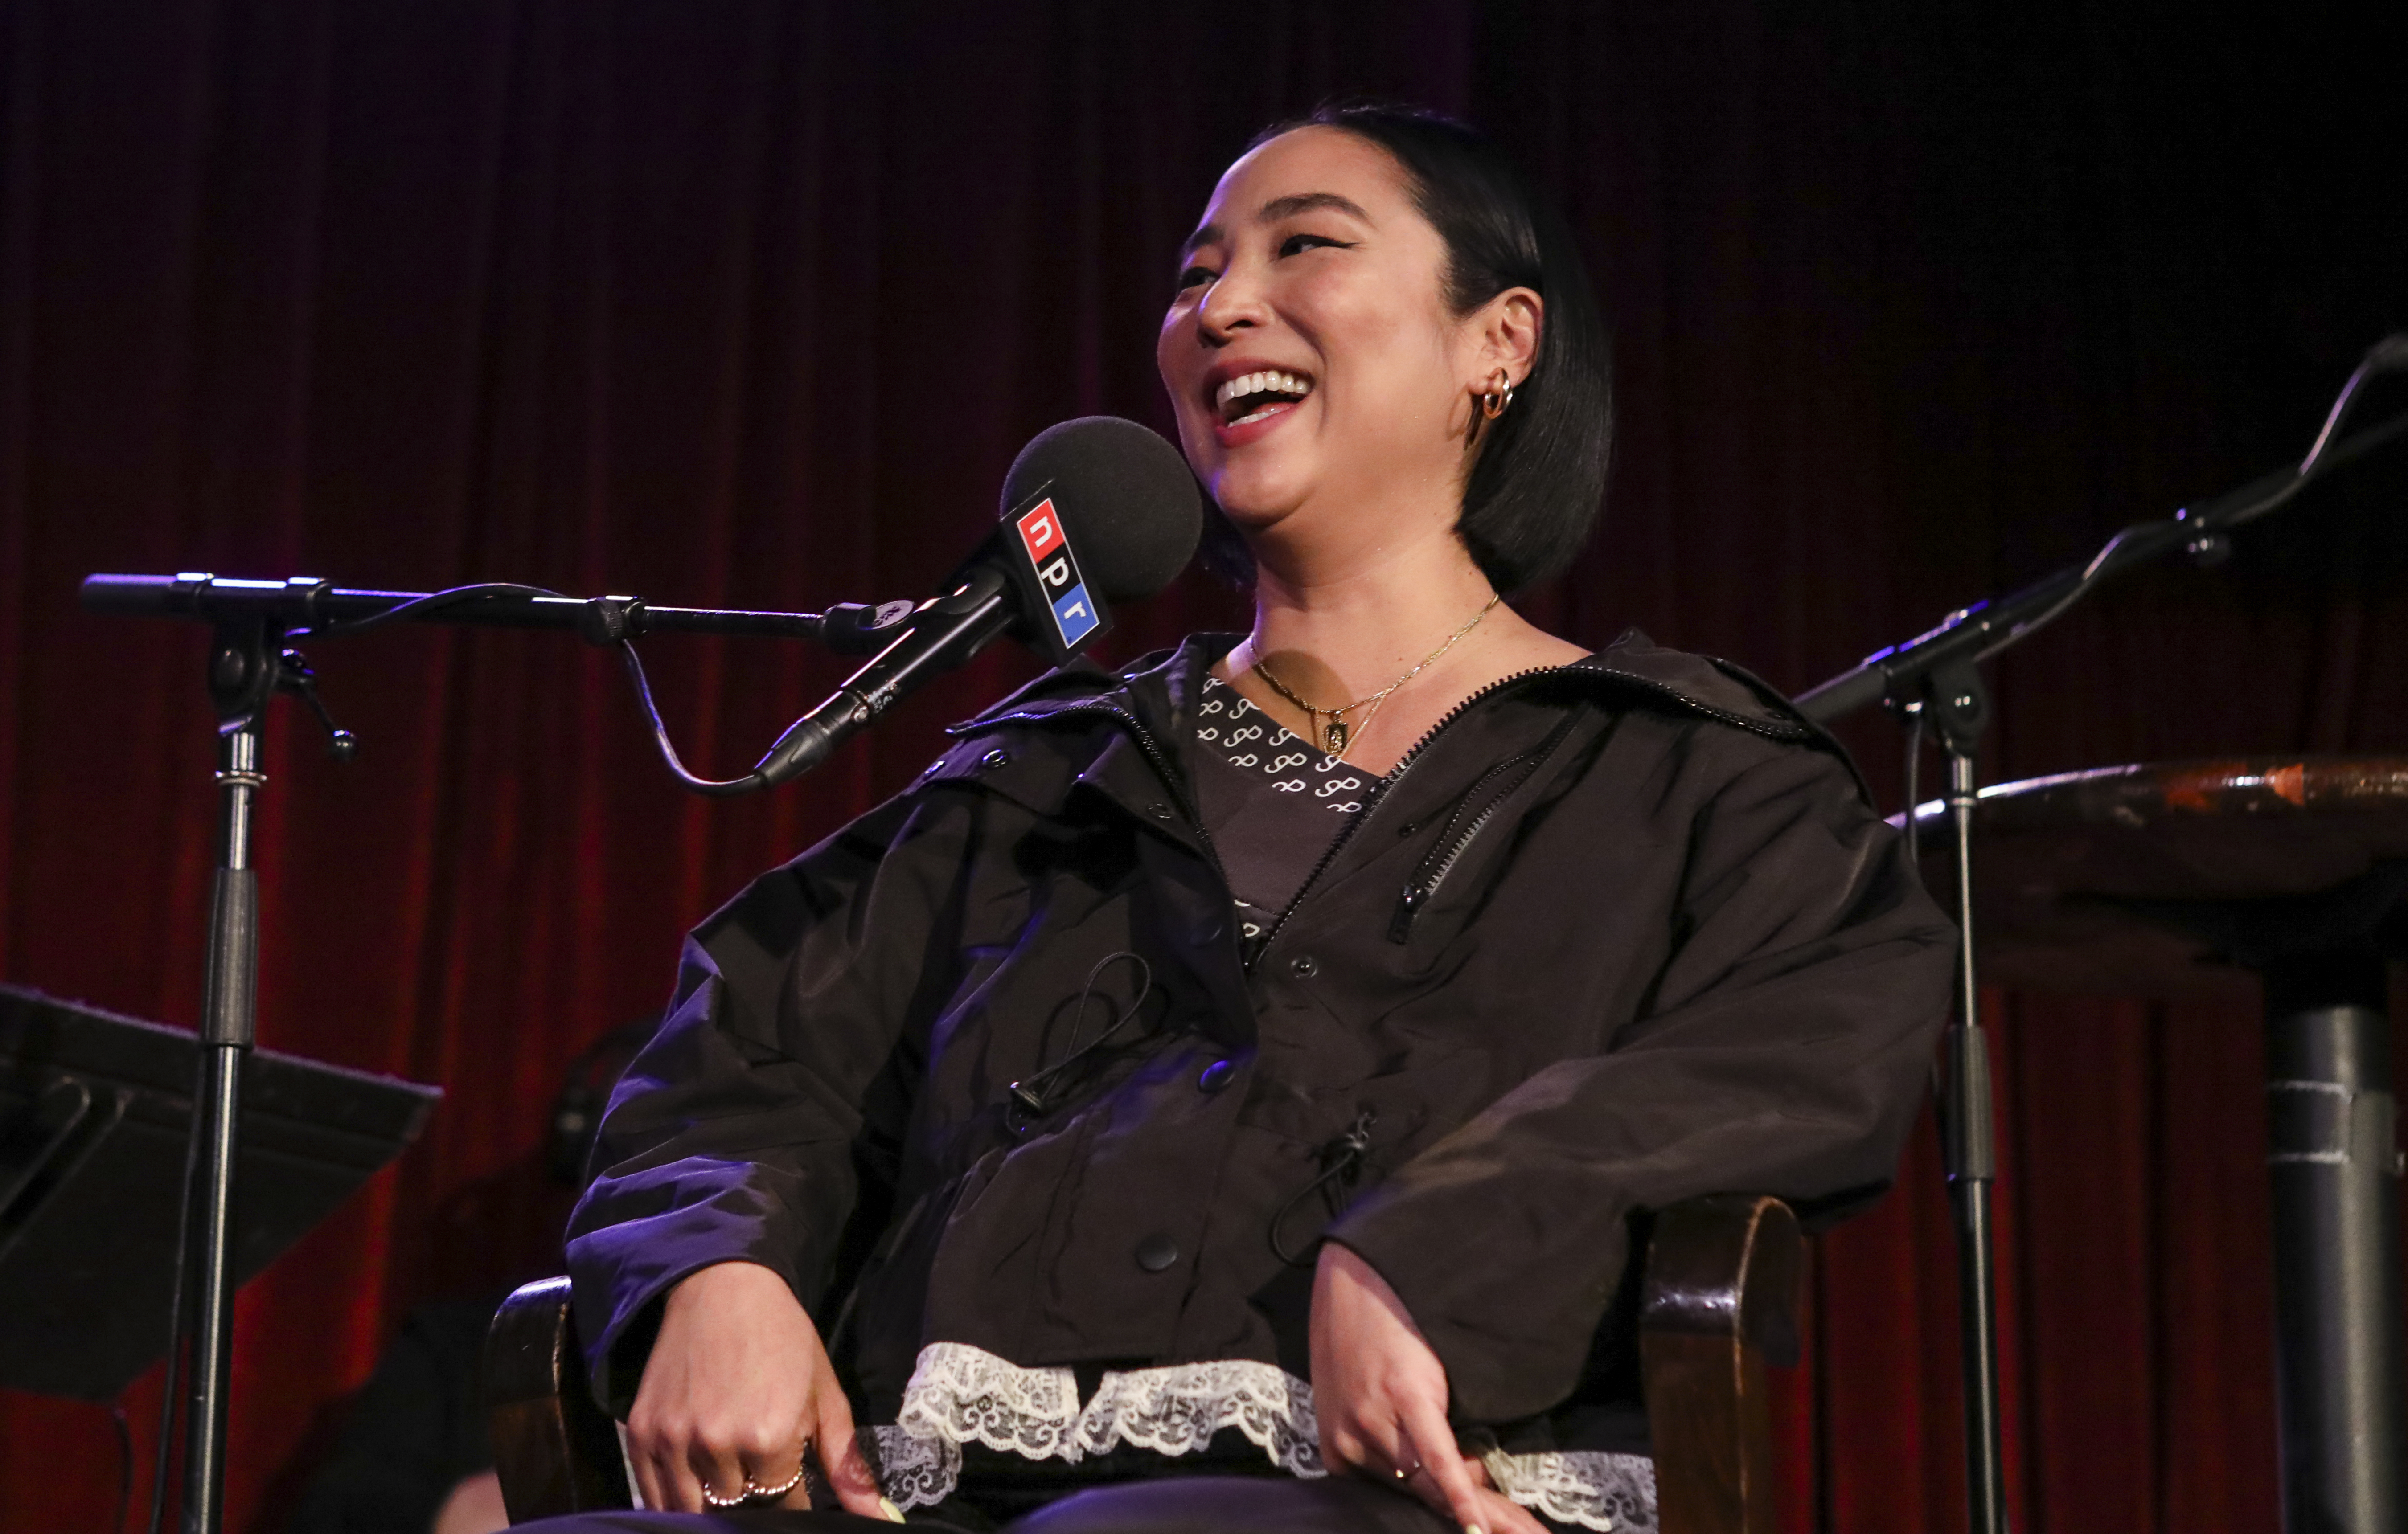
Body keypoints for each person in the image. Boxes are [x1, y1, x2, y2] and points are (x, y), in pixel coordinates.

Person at [541, 103, 1955, 1534]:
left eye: (1307, 247)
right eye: (1194, 274)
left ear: (1499, 343)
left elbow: (1811, 1039)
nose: (1222, 307)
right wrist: (716, 1271)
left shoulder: (1688, 775)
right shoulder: (1041, 778)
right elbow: (744, 1060)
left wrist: (1436, 1248)